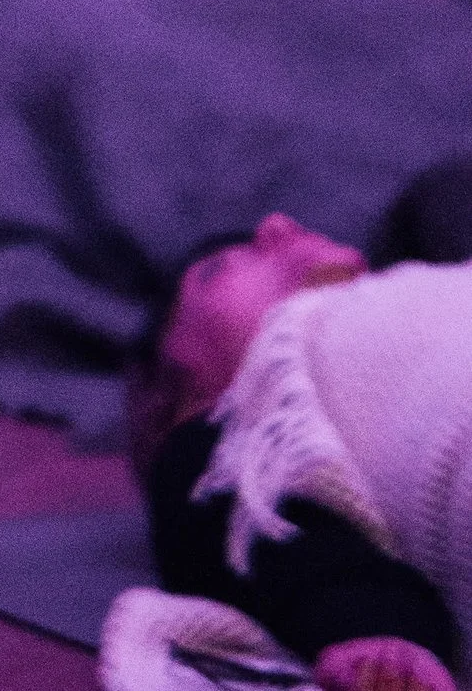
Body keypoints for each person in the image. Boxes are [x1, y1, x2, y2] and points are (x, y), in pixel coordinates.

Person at [117, 178, 472, 691]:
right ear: (176, 400)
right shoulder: (239, 433)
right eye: (218, 268)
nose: (276, 223)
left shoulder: (421, 286)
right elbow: (275, 534)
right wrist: (376, 631)